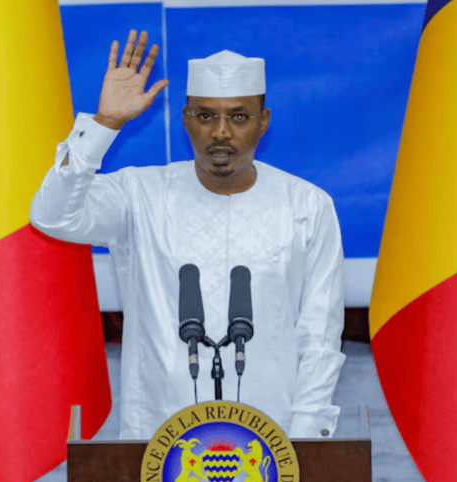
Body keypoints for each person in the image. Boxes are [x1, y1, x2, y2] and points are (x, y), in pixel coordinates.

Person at [30, 30, 346, 440]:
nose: (220, 132)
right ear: (186, 120)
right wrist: (105, 124)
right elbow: (52, 217)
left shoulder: (307, 205)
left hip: (274, 447)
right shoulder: (138, 194)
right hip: (156, 448)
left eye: (238, 116)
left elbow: (319, 336)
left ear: (263, 122)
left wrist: (305, 442)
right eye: (205, 116)